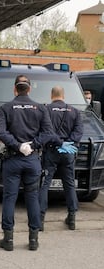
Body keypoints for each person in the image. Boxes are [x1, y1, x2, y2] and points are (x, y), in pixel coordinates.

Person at [0, 75, 53, 251]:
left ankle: (8, 239)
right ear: (29, 89)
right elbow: (48, 133)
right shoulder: (40, 108)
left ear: (15, 89)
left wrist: (17, 145)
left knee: (9, 198)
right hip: (32, 159)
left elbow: (0, 132)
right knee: (33, 198)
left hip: (13, 159)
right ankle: (33, 239)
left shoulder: (6, 108)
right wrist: (32, 145)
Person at [39, 86, 83, 231]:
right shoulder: (74, 111)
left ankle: (40, 218)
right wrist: (68, 143)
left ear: (52, 95)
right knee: (69, 184)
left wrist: (58, 143)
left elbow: (45, 131)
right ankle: (72, 218)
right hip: (68, 152)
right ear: (63, 95)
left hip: (51, 151)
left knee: (45, 184)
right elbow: (79, 131)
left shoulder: (46, 109)